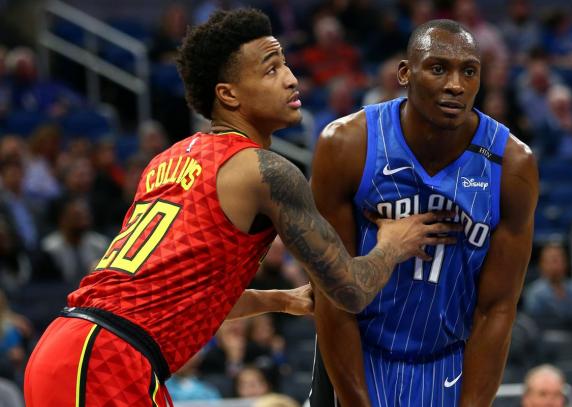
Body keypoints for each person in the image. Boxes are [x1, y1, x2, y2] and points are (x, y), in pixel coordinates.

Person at [24, 9, 460, 407]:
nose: (291, 79)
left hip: (75, 346)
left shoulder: (169, 160)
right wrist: (394, 243)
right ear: (229, 95)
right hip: (107, 359)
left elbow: (180, 293)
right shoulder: (263, 169)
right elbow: (350, 289)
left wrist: (280, 300)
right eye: (271, 70)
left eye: (286, 64)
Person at [309, 19, 538, 407]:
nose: (455, 85)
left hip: (448, 362)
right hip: (356, 355)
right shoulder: (348, 144)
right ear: (404, 73)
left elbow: (497, 308)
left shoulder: (513, 165)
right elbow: (331, 293)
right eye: (438, 68)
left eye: (469, 71)